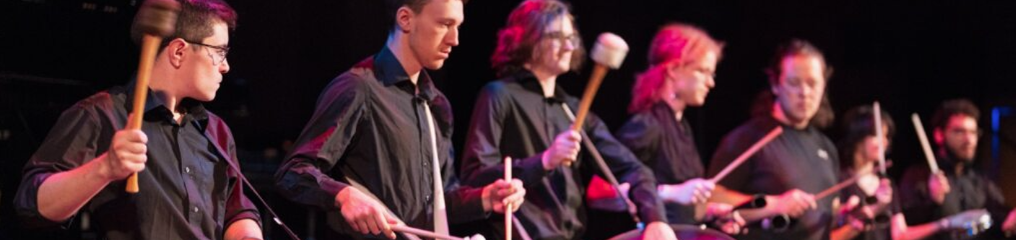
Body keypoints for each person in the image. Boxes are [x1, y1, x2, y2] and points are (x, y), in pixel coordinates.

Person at [273, 0, 525, 239]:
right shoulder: (358, 88)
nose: (455, 39)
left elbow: (440, 200)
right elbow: (292, 172)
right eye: (445, 24)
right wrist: (343, 195)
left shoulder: (437, 105)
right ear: (405, 19)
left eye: (457, 26)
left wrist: (484, 198)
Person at [13, 0, 263, 239]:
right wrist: (105, 168)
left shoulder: (216, 130)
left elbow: (236, 211)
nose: (226, 66)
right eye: (219, 52)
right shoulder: (101, 114)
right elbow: (31, 204)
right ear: (178, 51)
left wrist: (247, 234)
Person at [459, 1, 676, 239]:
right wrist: (544, 161)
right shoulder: (499, 95)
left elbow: (634, 169)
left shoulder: (572, 109)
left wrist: (655, 218)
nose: (570, 46)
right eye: (557, 36)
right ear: (528, 38)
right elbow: (474, 178)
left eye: (571, 37)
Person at [614, 23, 743, 233]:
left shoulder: (681, 126)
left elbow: (678, 204)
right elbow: (602, 192)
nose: (710, 83)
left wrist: (708, 213)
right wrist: (673, 192)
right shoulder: (648, 125)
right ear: (673, 70)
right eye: (703, 71)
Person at [707, 39, 839, 240]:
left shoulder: (826, 147)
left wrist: (847, 215)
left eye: (812, 83)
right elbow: (710, 199)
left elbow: (827, 215)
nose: (804, 93)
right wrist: (775, 204)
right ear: (776, 85)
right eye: (794, 83)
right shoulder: (747, 138)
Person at [898, 99, 1016, 240]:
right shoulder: (918, 176)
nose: (969, 140)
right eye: (959, 131)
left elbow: (1001, 216)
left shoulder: (980, 179)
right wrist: (931, 201)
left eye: (973, 132)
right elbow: (903, 231)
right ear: (939, 135)